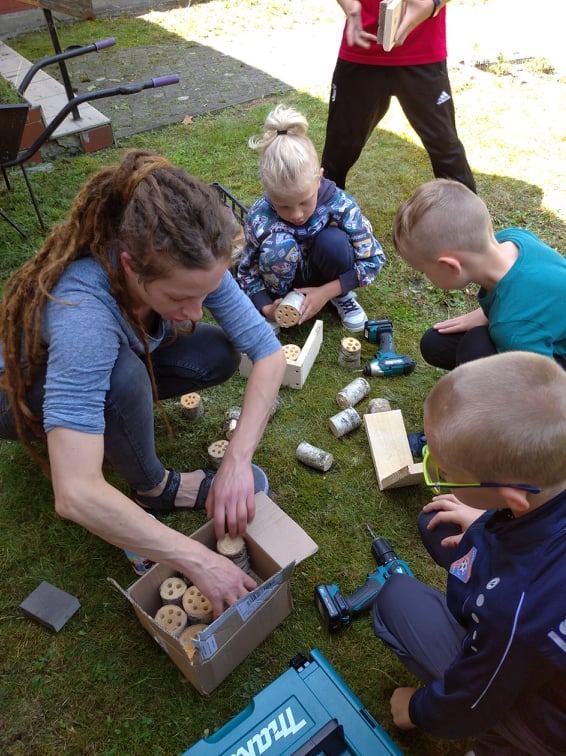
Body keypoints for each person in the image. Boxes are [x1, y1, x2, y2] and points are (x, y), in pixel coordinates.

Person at [0, 150, 287, 618]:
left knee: (216, 351)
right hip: (17, 394)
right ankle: (152, 486)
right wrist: (197, 559)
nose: (196, 311)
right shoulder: (84, 314)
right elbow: (75, 492)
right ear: (131, 266)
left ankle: (118, 416)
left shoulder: (188, 256)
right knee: (120, 374)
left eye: (205, 294)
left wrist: (237, 459)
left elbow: (269, 354)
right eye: (180, 297)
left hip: (110, 352)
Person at [372, 351, 566, 754]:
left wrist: (417, 709)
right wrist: (486, 517)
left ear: (513, 497)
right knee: (438, 524)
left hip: (549, 718)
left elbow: (470, 701)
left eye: (443, 473)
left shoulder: (514, 609)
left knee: (396, 598)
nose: (434, 476)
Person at [236, 104, 385, 333]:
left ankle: (340, 296)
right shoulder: (260, 217)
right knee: (278, 246)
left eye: (305, 201)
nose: (296, 214)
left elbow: (373, 259)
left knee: (334, 242)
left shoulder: (342, 205)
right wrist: (266, 306)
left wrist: (328, 291)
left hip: (326, 274)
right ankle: (282, 303)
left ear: (319, 179)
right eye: (283, 206)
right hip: (282, 284)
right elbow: (246, 271)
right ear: (267, 191)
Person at [392, 178, 566, 371]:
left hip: (551, 377)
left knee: (475, 349)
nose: (426, 278)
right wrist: (487, 313)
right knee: (436, 344)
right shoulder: (513, 239)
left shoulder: (514, 327)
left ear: (451, 266)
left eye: (424, 271)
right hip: (542, 326)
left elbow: (545, 388)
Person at [321, 0, 476, 193]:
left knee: (447, 154)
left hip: (422, 51)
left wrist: (434, 3)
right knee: (335, 158)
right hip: (361, 49)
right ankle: (321, 218)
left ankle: (468, 221)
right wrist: (350, 6)